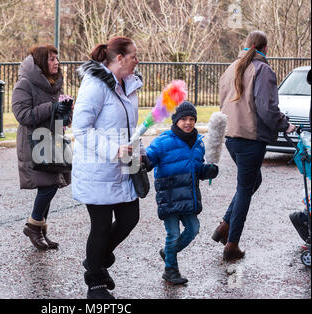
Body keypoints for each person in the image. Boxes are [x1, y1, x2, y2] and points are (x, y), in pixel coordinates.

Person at [213, 30, 296, 261]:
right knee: (244, 189)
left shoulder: (231, 68)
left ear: (246, 45)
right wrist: (284, 125)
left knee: (251, 182)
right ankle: (232, 244)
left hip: (232, 136)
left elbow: (222, 101)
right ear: (265, 48)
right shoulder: (263, 70)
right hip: (251, 138)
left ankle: (224, 226)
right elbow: (267, 108)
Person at [72, 36, 143, 299]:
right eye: (134, 55)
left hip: (125, 167)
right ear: (120, 58)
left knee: (129, 218)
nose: (138, 59)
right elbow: (80, 129)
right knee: (101, 227)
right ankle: (95, 284)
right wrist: (113, 151)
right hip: (98, 170)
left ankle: (96, 260)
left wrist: (140, 153)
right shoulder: (94, 85)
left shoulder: (130, 85)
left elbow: (129, 129)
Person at [145, 102, 219, 284]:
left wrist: (207, 170)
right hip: (169, 198)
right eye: (184, 119)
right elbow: (148, 159)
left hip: (188, 198)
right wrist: (139, 159)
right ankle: (170, 271)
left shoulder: (199, 144)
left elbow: (197, 169)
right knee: (173, 234)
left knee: (193, 229)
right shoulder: (163, 142)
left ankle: (167, 253)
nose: (188, 122)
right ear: (176, 121)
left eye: (192, 119)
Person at [12, 45, 72, 250]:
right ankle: (33, 225)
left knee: (52, 183)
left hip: (53, 139)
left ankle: (40, 229)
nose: (57, 62)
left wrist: (65, 112)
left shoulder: (55, 83)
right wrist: (52, 107)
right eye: (52, 59)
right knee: (48, 186)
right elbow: (22, 115)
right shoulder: (25, 84)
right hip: (33, 141)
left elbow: (61, 116)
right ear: (40, 62)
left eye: (57, 58)